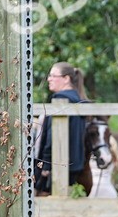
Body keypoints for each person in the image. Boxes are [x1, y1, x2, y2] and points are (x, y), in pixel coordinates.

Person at [34, 61, 87, 195]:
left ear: (66, 79)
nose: (49, 79)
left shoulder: (61, 101)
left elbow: (52, 136)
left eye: (53, 75)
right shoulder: (79, 101)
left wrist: (46, 164)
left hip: (55, 167)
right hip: (75, 166)